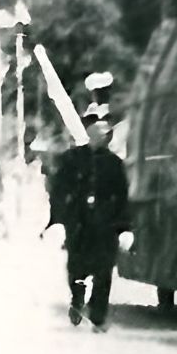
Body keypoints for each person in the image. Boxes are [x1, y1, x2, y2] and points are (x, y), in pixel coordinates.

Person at [45, 74, 133, 332]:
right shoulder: (72, 160)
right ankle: (77, 297)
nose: (99, 130)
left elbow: (123, 194)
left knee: (104, 270)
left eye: (104, 127)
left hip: (106, 224)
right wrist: (58, 219)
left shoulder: (115, 164)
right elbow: (59, 191)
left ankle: (98, 314)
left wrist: (125, 225)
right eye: (93, 125)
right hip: (80, 222)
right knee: (77, 267)